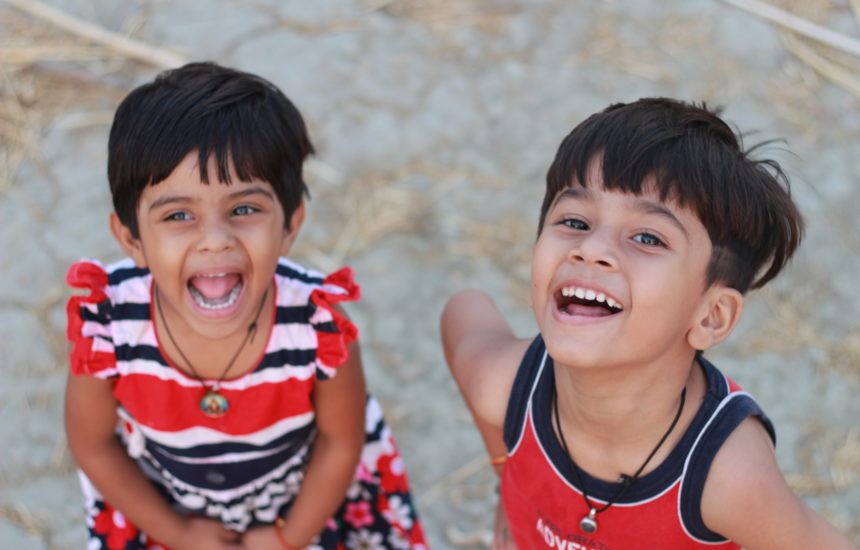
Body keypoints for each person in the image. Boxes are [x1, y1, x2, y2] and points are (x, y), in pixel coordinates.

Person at [441, 98, 856, 549]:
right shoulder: (502, 387)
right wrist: (505, 466)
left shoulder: (725, 474)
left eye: (647, 237)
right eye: (575, 220)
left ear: (711, 317)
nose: (592, 248)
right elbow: (463, 310)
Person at [65, 62, 426, 550]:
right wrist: (179, 534)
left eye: (244, 209)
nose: (216, 240)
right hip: (163, 505)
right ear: (131, 239)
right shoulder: (108, 326)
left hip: (303, 502)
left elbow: (341, 444)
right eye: (178, 215)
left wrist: (287, 538)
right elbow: (93, 443)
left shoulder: (320, 329)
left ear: (290, 226)